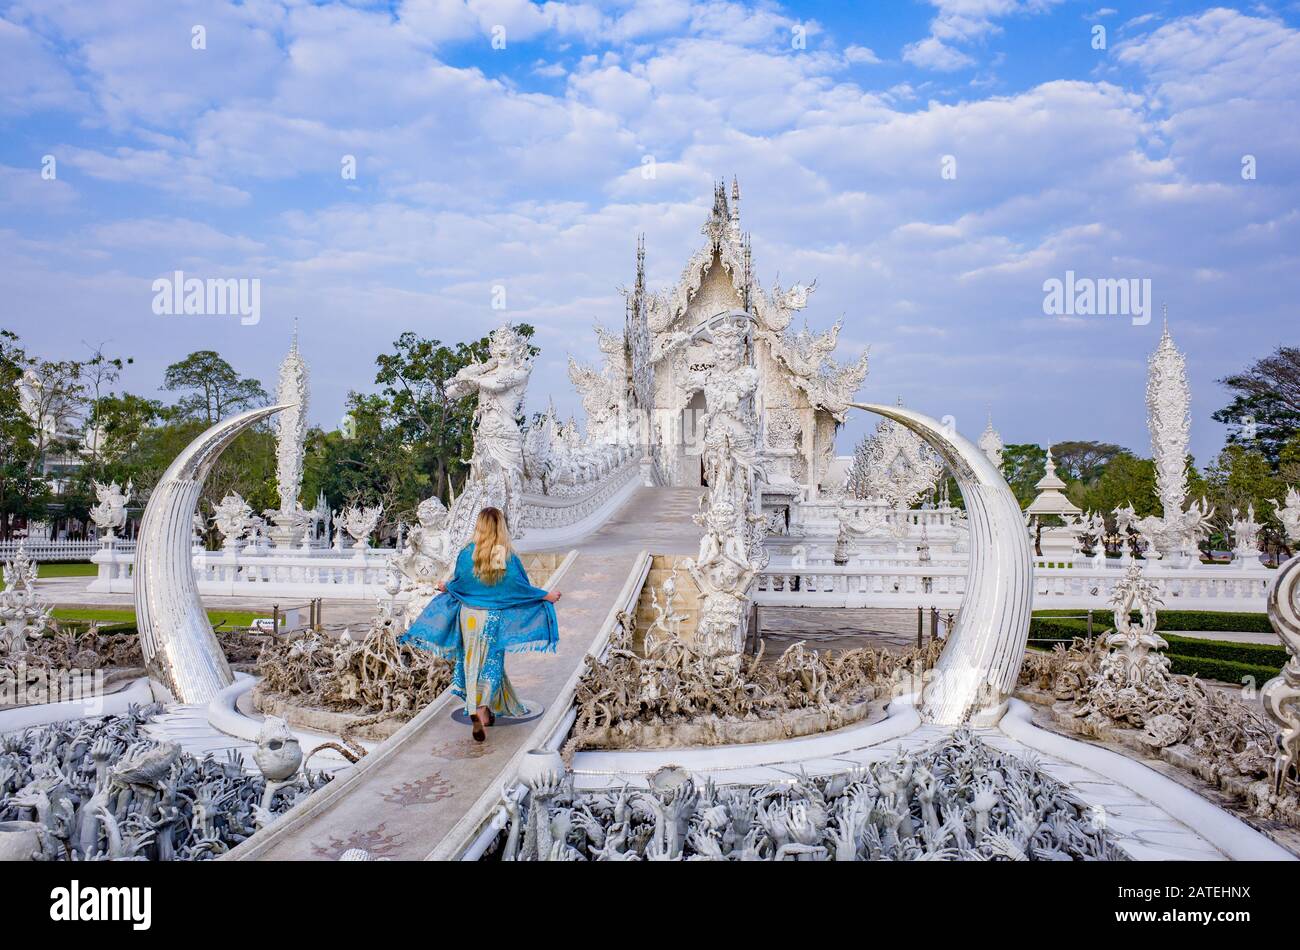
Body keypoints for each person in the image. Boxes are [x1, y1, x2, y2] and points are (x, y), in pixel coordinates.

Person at [400, 507, 561, 741]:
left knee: (470, 659)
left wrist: (448, 587)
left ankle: (474, 705)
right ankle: (482, 709)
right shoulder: (499, 553)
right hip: (491, 617)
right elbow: (511, 588)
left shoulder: (469, 552)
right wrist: (544, 596)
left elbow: (461, 583)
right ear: (499, 527)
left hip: (468, 615)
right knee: (491, 661)